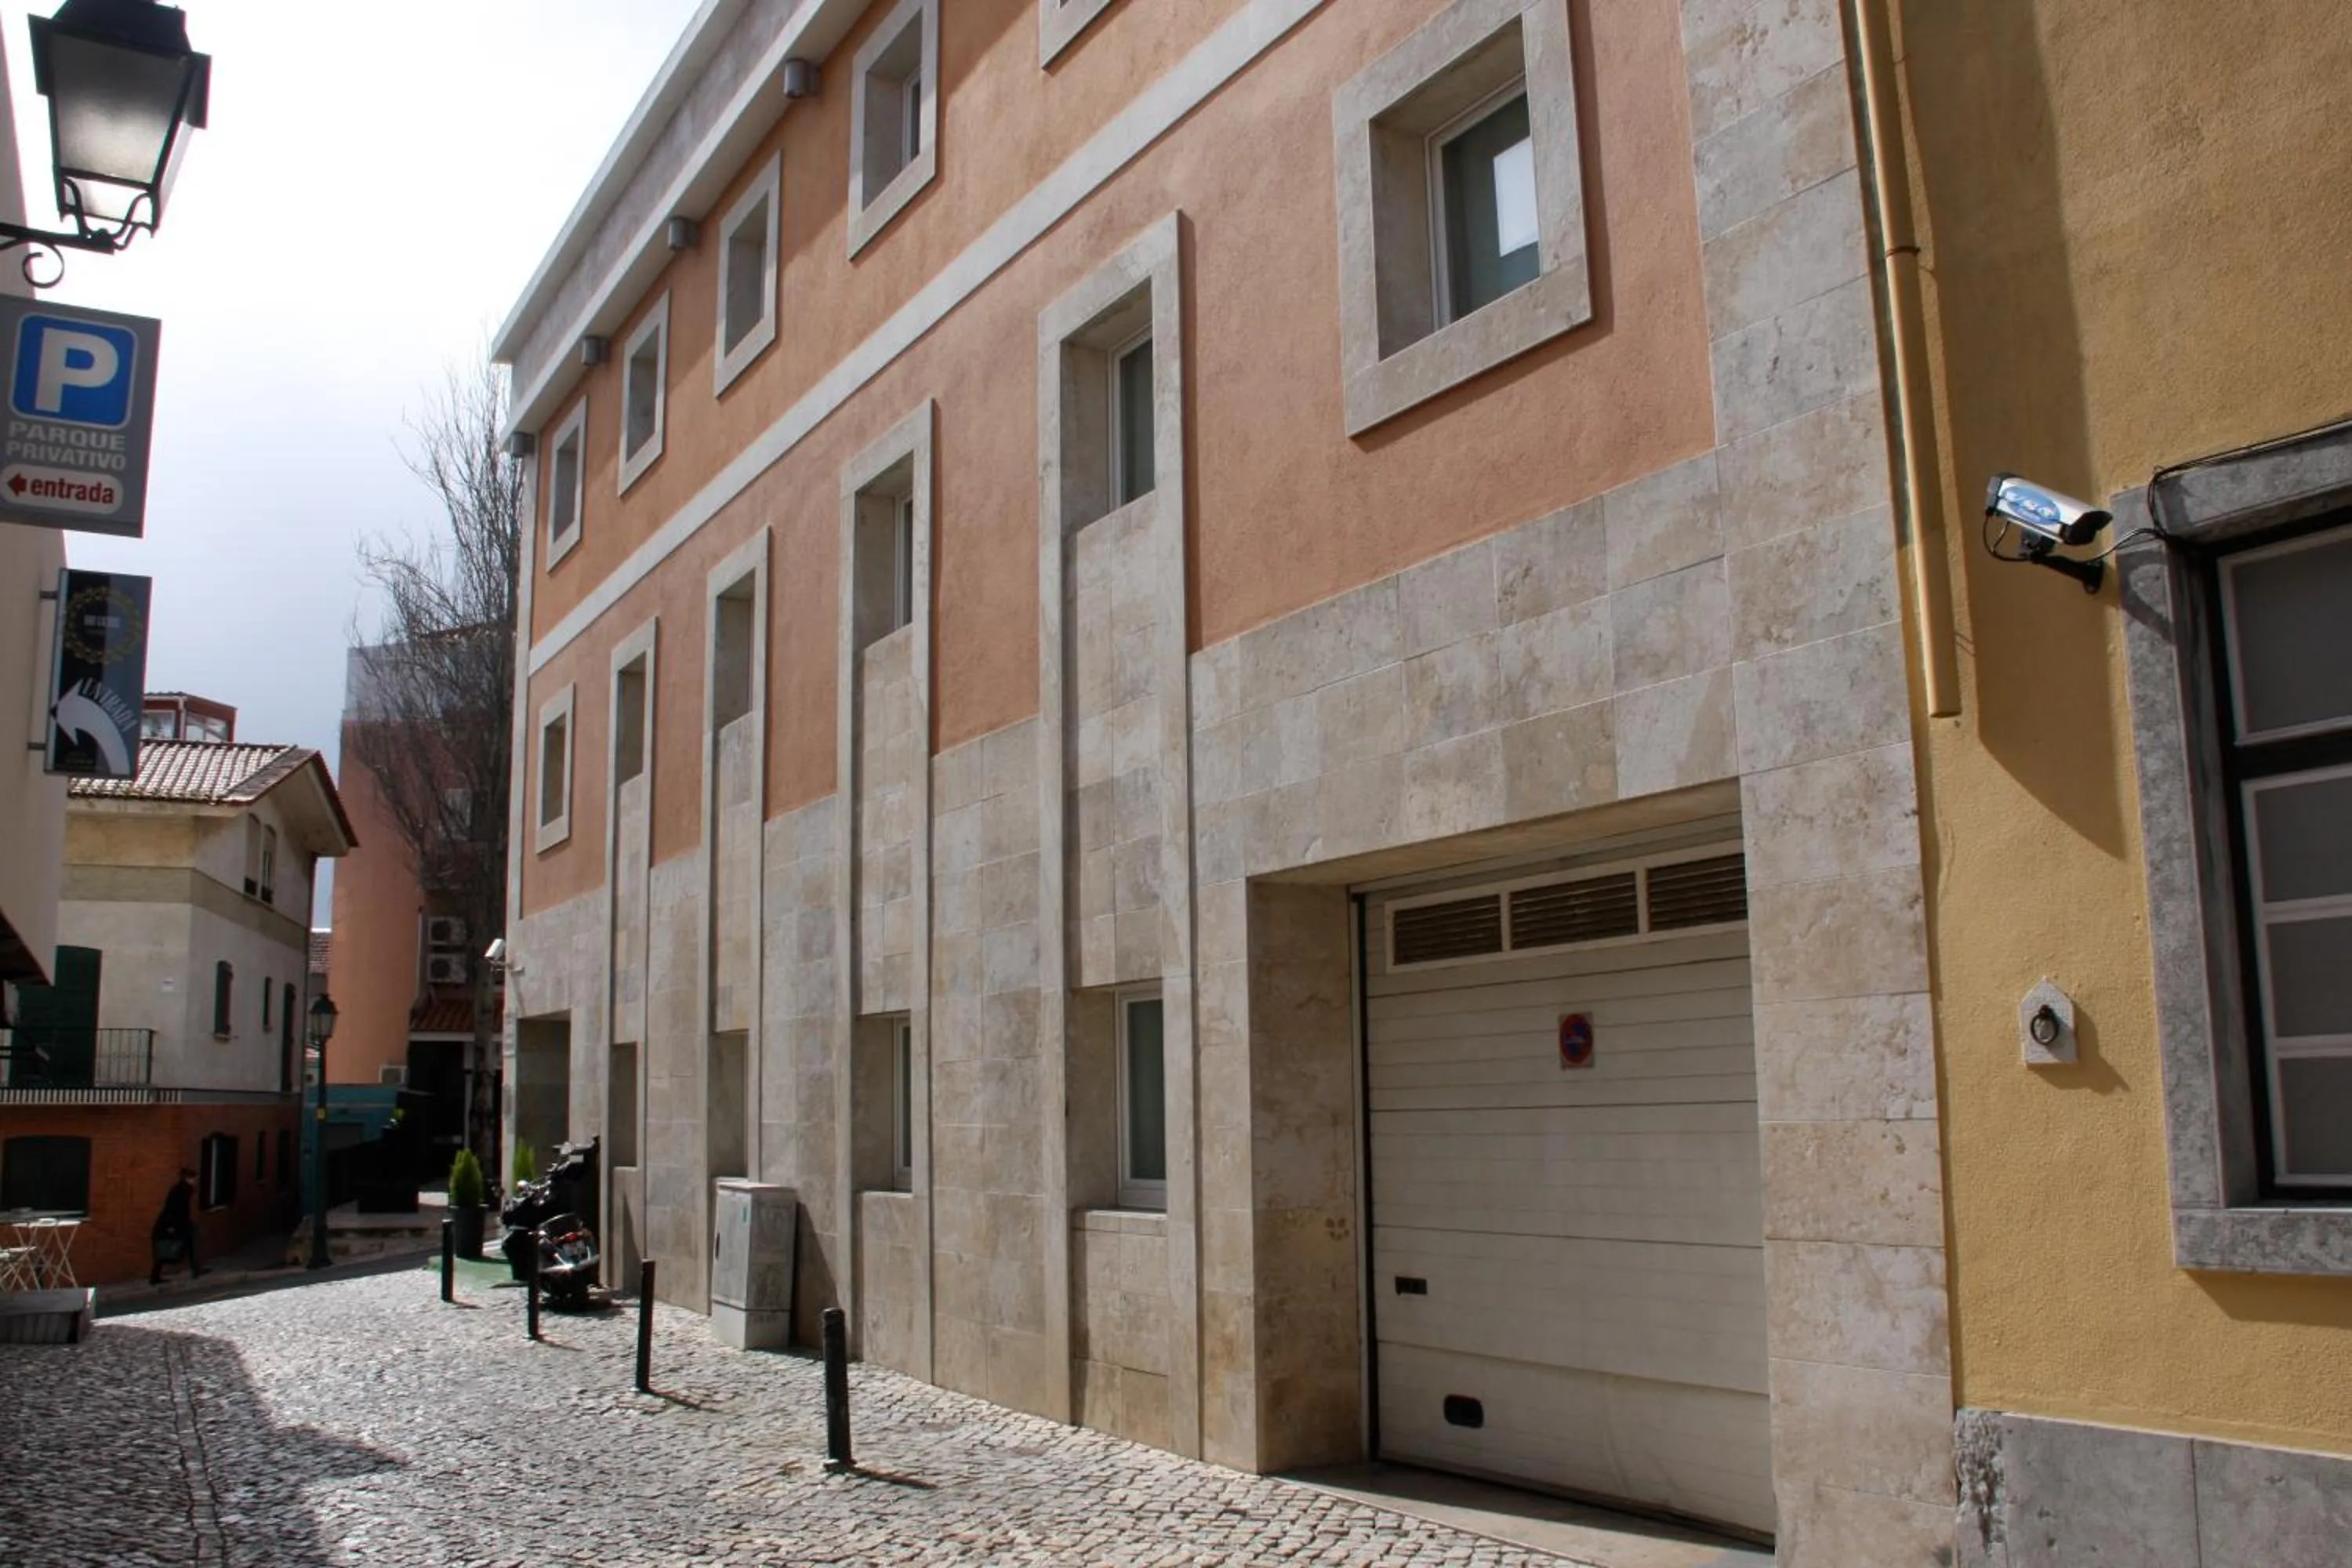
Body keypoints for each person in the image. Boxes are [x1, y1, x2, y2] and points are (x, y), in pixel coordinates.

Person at [150, 1167, 202, 1286]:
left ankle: (196, 1269)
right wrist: (173, 1226)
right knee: (167, 1248)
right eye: (194, 1178)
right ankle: (195, 1269)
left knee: (187, 1243)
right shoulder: (184, 1190)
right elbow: (177, 1209)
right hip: (174, 1224)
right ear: (189, 1178)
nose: (195, 1181)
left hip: (173, 1223)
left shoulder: (179, 1189)